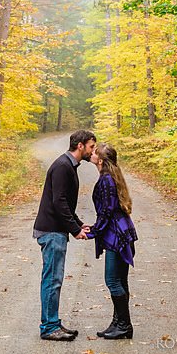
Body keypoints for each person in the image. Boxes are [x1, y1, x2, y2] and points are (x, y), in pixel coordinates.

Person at [33, 129, 96, 342]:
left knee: (55, 279)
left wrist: (79, 224)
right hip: (51, 231)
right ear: (80, 146)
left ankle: (53, 322)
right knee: (52, 279)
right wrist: (75, 230)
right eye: (91, 147)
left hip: (56, 231)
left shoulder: (68, 165)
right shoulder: (62, 166)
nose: (92, 151)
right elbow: (58, 202)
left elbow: (65, 204)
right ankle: (49, 327)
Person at [86, 142, 138, 340]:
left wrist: (94, 231)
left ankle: (124, 325)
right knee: (120, 280)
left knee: (112, 281)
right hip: (121, 232)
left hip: (117, 235)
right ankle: (119, 323)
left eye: (95, 152)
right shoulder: (109, 176)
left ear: (100, 160)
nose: (91, 153)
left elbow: (107, 211)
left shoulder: (107, 179)